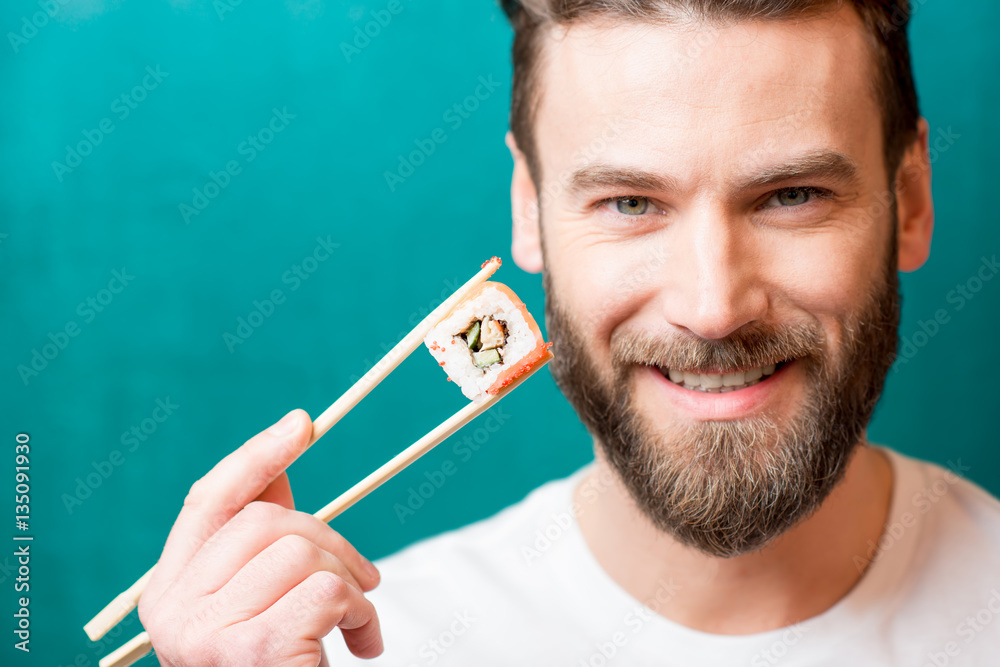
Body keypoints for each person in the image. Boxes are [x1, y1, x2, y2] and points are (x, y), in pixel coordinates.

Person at [138, 1, 1000, 665]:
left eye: (792, 196)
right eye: (631, 203)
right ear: (529, 207)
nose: (712, 305)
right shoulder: (361, 640)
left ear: (911, 199)